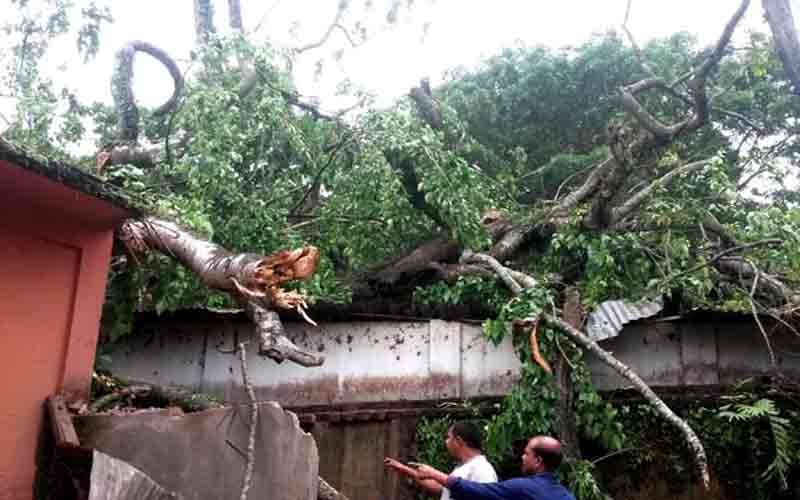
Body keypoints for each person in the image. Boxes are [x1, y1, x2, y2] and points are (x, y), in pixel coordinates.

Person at [410, 435, 575, 500]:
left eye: (526, 454)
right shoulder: (566, 496)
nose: (522, 458)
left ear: (538, 461)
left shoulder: (524, 488)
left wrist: (433, 473)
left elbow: (479, 491)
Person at [384, 422, 498, 500]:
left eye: (448, 437)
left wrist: (432, 472)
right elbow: (443, 490)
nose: (446, 442)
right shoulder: (464, 467)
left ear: (458, 441)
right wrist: (404, 469)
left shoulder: (482, 469)